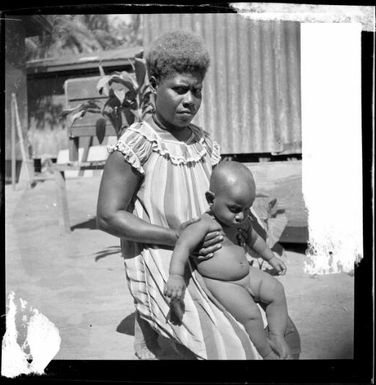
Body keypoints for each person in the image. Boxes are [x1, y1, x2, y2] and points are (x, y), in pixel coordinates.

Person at [97, 30, 300, 360]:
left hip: (214, 264)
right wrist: (176, 236)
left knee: (279, 333)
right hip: (168, 263)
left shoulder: (204, 144)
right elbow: (108, 216)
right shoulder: (136, 145)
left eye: (197, 91)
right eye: (179, 89)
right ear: (153, 89)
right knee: (233, 348)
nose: (189, 99)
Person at [164, 161, 292, 359]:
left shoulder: (241, 220)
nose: (241, 216)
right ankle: (266, 353)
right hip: (223, 283)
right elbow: (183, 246)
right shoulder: (204, 224)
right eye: (234, 209)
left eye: (247, 209)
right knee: (251, 314)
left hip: (248, 275)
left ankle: (276, 336)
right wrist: (175, 275)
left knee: (276, 290)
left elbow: (254, 239)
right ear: (211, 199)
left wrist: (270, 257)